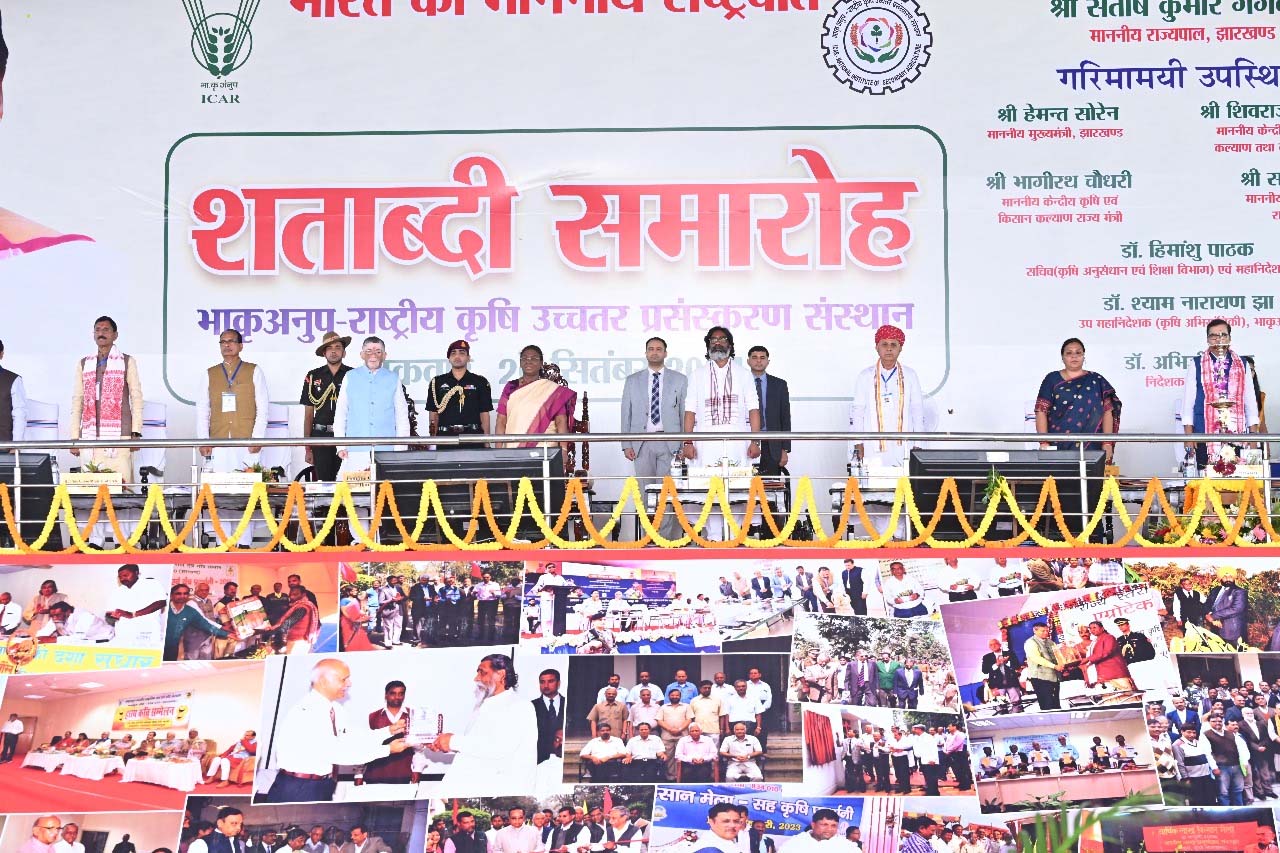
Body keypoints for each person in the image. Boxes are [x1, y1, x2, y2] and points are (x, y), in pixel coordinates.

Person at [261, 657, 411, 802]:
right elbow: (336, 752)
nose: (349, 683)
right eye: (344, 679)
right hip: (299, 787)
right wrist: (387, 749)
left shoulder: (335, 709)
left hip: (322, 785)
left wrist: (388, 731)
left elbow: (353, 738)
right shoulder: (309, 711)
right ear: (323, 681)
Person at [424, 653, 538, 793]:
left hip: (499, 791)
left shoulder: (519, 706)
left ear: (501, 674)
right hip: (472, 785)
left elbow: (499, 747)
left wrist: (452, 741)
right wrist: (442, 744)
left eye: (482, 672)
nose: (476, 678)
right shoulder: (483, 705)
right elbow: (475, 748)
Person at [620, 336, 688, 539]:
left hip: (670, 443)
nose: (655, 352)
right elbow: (626, 413)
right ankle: (647, 538)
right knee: (644, 493)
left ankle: (663, 540)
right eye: (651, 349)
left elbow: (684, 414)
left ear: (665, 353)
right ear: (646, 353)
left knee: (666, 493)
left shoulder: (680, 379)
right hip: (642, 443)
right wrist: (626, 444)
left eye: (659, 349)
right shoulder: (632, 380)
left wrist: (684, 443)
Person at [69, 315, 144, 482]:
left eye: (106, 330)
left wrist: (136, 432)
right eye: (97, 330)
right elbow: (78, 401)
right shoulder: (84, 364)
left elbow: (136, 398)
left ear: (115, 335)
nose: (101, 333)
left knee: (121, 486)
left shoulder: (127, 361)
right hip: (89, 435)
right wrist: (74, 437)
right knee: (91, 487)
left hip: (120, 436)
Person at [1182, 319, 1262, 469]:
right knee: (1206, 478)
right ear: (1207, 339)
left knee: (1237, 477)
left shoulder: (1242, 364)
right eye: (1213, 336)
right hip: (1203, 433)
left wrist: (1253, 438)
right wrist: (1188, 436)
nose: (1218, 339)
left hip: (1237, 434)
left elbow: (1250, 402)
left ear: (1229, 338)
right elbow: (1188, 402)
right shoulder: (1197, 363)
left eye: (1223, 335)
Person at [682, 326, 761, 471]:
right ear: (708, 345)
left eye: (722, 339)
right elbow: (690, 411)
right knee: (705, 482)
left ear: (730, 345)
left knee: (737, 481)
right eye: (713, 340)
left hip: (737, 442)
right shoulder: (697, 375)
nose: (717, 342)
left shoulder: (744, 374)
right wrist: (688, 443)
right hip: (704, 442)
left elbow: (753, 409)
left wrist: (755, 442)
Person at [849, 325, 924, 472]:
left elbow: (917, 411)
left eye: (893, 345)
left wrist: (919, 444)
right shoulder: (865, 376)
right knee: (873, 481)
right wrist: (858, 443)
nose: (889, 349)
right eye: (884, 344)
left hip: (903, 445)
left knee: (903, 483)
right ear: (877, 348)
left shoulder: (910, 375)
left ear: (900, 348)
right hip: (872, 446)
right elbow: (857, 412)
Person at [1034, 337, 1120, 462]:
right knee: (1059, 475)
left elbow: (1107, 411)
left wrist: (1107, 443)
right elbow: (1041, 411)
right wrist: (1044, 442)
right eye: (1069, 353)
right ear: (1062, 357)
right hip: (1058, 444)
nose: (1074, 356)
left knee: (1091, 474)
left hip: (1092, 446)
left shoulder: (1096, 380)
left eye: (1078, 352)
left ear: (1084, 356)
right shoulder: (1051, 379)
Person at [334, 336, 410, 474]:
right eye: (368, 351)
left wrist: (400, 448)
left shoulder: (393, 378)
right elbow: (340, 413)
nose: (373, 355)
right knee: (355, 487)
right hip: (355, 449)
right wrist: (341, 446)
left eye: (378, 351)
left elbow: (402, 415)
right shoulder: (350, 376)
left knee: (385, 487)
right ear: (362, 354)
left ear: (384, 355)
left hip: (387, 450)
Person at [197, 329, 268, 473]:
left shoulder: (254, 370)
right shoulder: (210, 373)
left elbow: (263, 408)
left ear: (241, 346)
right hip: (217, 439)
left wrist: (258, 438)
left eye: (231, 341)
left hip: (247, 440)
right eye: (223, 342)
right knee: (216, 483)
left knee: (247, 483)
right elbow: (202, 409)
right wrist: (203, 440)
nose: (226, 345)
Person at [496, 345, 576, 455]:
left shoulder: (552, 390)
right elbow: (501, 420)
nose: (528, 361)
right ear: (520, 363)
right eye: (524, 358)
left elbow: (561, 420)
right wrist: (498, 451)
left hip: (544, 450)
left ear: (541, 363)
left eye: (534, 358)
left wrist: (564, 450)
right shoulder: (510, 387)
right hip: (513, 449)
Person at [299, 331, 353, 480]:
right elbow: (308, 415)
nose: (334, 351)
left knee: (347, 482)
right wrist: (308, 448)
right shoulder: (313, 376)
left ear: (344, 352)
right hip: (321, 436)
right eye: (329, 348)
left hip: (347, 436)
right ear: (324, 353)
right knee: (324, 483)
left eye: (338, 347)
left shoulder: (353, 375)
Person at [746, 345, 791, 476]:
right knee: (743, 483)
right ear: (748, 361)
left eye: (762, 358)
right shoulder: (740, 383)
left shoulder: (779, 384)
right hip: (745, 441)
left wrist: (785, 449)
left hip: (772, 443)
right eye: (754, 357)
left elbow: (785, 418)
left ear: (768, 361)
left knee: (770, 485)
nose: (758, 361)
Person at [165, 583, 229, 661]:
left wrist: (227, 634)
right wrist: (222, 627)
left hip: (173, 647)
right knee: (191, 659)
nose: (182, 596)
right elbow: (205, 619)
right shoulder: (163, 608)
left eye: (185, 593)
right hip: (160, 645)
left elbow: (205, 624)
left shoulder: (190, 611)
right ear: (171, 595)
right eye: (178, 593)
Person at [106, 563, 166, 646]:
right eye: (120, 577)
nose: (122, 579)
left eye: (125, 575)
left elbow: (161, 602)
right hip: (123, 636)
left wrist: (133, 614)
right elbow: (109, 613)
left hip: (146, 633)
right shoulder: (117, 591)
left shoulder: (151, 583)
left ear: (136, 573)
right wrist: (112, 616)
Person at [260, 585, 321, 654]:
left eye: (295, 594)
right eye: (290, 595)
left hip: (298, 642)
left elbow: (288, 623)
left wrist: (269, 632)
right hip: (295, 640)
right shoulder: (296, 605)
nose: (291, 597)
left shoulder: (303, 607)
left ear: (303, 594)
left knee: (293, 660)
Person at [1082, 621, 1137, 691]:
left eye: (1094, 627)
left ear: (1102, 628)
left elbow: (1106, 652)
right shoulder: (1095, 641)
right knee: (1109, 696)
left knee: (1126, 695)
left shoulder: (1109, 637)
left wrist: (1088, 659)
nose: (1092, 630)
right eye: (1090, 628)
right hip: (1103, 675)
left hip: (1115, 673)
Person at [1023, 622, 1064, 710]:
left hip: (1054, 677)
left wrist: (1062, 663)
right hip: (1040, 678)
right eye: (1043, 631)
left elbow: (1058, 655)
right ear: (1035, 631)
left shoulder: (1050, 642)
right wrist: (1054, 666)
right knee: (1047, 705)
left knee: (1056, 704)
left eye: (1047, 630)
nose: (1046, 632)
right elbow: (1036, 658)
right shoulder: (1030, 642)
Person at [1205, 567, 1248, 647]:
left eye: (1230, 576)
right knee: (1216, 649)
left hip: (1231, 631)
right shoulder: (1215, 590)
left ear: (1234, 578)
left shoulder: (1240, 591)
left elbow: (1236, 609)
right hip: (1214, 626)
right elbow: (1207, 604)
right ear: (1221, 578)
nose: (1228, 579)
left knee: (1233, 651)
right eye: (1225, 576)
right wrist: (1210, 614)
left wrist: (1213, 616)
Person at [780, 810, 854, 853]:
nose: (829, 829)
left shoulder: (846, 846)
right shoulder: (795, 843)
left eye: (833, 825)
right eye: (825, 825)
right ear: (813, 825)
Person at [39, 601, 114, 643]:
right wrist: (37, 639)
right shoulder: (58, 617)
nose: (54, 618)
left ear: (68, 612)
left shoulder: (84, 616)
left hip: (104, 640)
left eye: (57, 615)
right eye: (52, 616)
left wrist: (53, 639)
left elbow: (78, 638)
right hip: (86, 641)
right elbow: (43, 633)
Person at [0, 337, 27, 444]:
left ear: (1, 354)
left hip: (3, 446)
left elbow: (20, 414)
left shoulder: (13, 380)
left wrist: (16, 445)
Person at [338, 584, 375, 651]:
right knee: (348, 637)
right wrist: (352, 620)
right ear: (348, 592)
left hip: (357, 621)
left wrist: (364, 615)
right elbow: (344, 612)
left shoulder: (356, 599)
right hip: (347, 622)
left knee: (359, 636)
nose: (355, 592)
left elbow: (358, 610)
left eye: (356, 590)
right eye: (353, 591)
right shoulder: (344, 600)